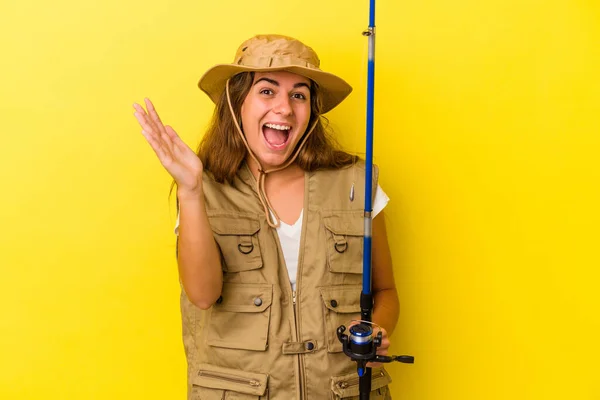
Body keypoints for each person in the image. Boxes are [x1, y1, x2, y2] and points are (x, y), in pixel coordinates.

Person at [133, 34, 400, 400]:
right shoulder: (204, 185)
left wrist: (378, 330)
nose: (285, 108)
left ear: (313, 110)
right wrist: (191, 191)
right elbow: (202, 294)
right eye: (267, 91)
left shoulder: (356, 183)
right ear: (237, 101)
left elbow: (385, 291)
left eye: (299, 95)